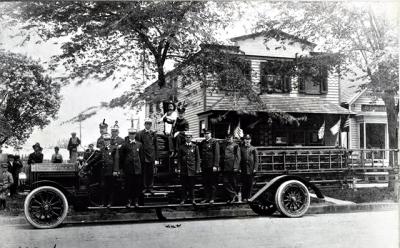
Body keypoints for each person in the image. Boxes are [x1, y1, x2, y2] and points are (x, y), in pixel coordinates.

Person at [91, 133, 118, 207]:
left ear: (110, 140)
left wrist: (115, 170)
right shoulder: (102, 149)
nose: (106, 141)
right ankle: (103, 203)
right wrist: (88, 164)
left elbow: (116, 159)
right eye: (105, 140)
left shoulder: (114, 148)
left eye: (108, 140)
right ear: (103, 141)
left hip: (111, 171)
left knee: (111, 187)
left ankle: (110, 203)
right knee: (103, 187)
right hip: (103, 171)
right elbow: (96, 158)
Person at [120, 128, 142, 208]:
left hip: (137, 169)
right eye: (130, 134)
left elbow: (141, 157)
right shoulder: (125, 145)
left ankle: (136, 201)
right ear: (128, 134)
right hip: (128, 169)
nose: (132, 135)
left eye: (133, 134)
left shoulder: (139, 144)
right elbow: (121, 158)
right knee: (128, 186)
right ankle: (128, 202)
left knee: (137, 186)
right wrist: (122, 168)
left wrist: (140, 168)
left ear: (135, 135)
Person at [177, 131, 200, 205]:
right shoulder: (181, 147)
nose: (188, 138)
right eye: (187, 137)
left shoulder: (195, 146)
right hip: (184, 169)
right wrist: (179, 168)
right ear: (185, 138)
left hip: (192, 169)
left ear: (191, 138)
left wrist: (197, 168)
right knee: (183, 186)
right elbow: (179, 159)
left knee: (192, 186)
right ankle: (183, 199)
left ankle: (193, 199)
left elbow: (197, 159)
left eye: (189, 137)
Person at [136, 119, 158, 193]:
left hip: (151, 155)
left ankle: (151, 187)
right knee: (144, 172)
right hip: (144, 156)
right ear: (144, 124)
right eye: (147, 124)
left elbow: (155, 146)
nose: (148, 125)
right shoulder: (140, 133)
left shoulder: (153, 133)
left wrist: (156, 158)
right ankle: (145, 187)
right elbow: (138, 145)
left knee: (151, 173)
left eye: (149, 124)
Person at [199, 129, 220, 204]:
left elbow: (217, 154)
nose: (206, 135)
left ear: (210, 134)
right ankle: (207, 198)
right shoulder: (203, 142)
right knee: (205, 183)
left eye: (207, 133)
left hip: (212, 166)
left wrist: (216, 165)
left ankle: (212, 198)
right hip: (205, 166)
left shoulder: (214, 142)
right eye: (205, 134)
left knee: (213, 183)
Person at [221, 134, 241, 203]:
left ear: (232, 138)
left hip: (232, 167)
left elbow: (238, 157)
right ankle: (233, 195)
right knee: (225, 182)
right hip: (225, 167)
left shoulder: (236, 146)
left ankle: (233, 198)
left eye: (230, 138)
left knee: (233, 182)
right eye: (227, 138)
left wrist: (236, 166)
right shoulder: (223, 145)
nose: (228, 139)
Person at [239, 134, 258, 201]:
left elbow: (256, 160)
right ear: (244, 140)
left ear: (250, 140)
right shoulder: (241, 148)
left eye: (248, 139)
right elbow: (239, 159)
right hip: (243, 169)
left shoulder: (253, 148)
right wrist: (239, 168)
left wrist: (255, 168)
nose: (247, 141)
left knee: (250, 184)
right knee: (244, 184)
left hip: (251, 169)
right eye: (246, 139)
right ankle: (244, 197)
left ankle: (249, 197)